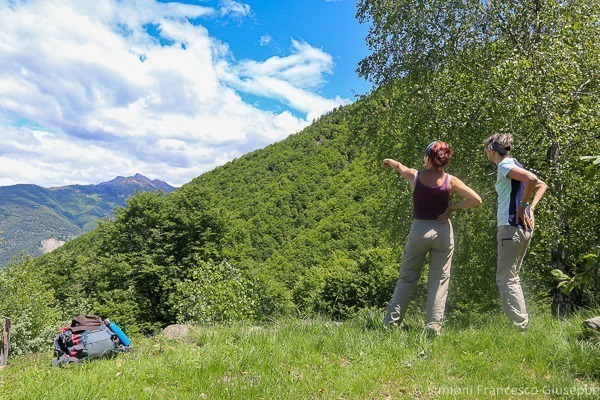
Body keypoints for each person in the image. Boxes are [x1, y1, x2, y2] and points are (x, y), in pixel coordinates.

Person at [383, 140, 482, 334]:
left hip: (419, 230)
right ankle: (433, 326)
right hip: (442, 230)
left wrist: (389, 160)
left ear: (428, 157)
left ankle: (391, 322)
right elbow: (476, 200)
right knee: (440, 280)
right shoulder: (450, 181)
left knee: (407, 277)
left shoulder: (415, 176)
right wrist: (452, 207)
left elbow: (399, 167)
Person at [484, 133, 547, 330]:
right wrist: (531, 209)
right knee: (513, 276)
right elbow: (541, 185)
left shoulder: (504, 165)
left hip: (510, 227)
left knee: (505, 278)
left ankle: (520, 326)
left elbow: (533, 179)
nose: (486, 153)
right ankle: (522, 324)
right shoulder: (515, 164)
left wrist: (524, 206)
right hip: (523, 229)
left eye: (487, 150)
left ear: (492, 151)